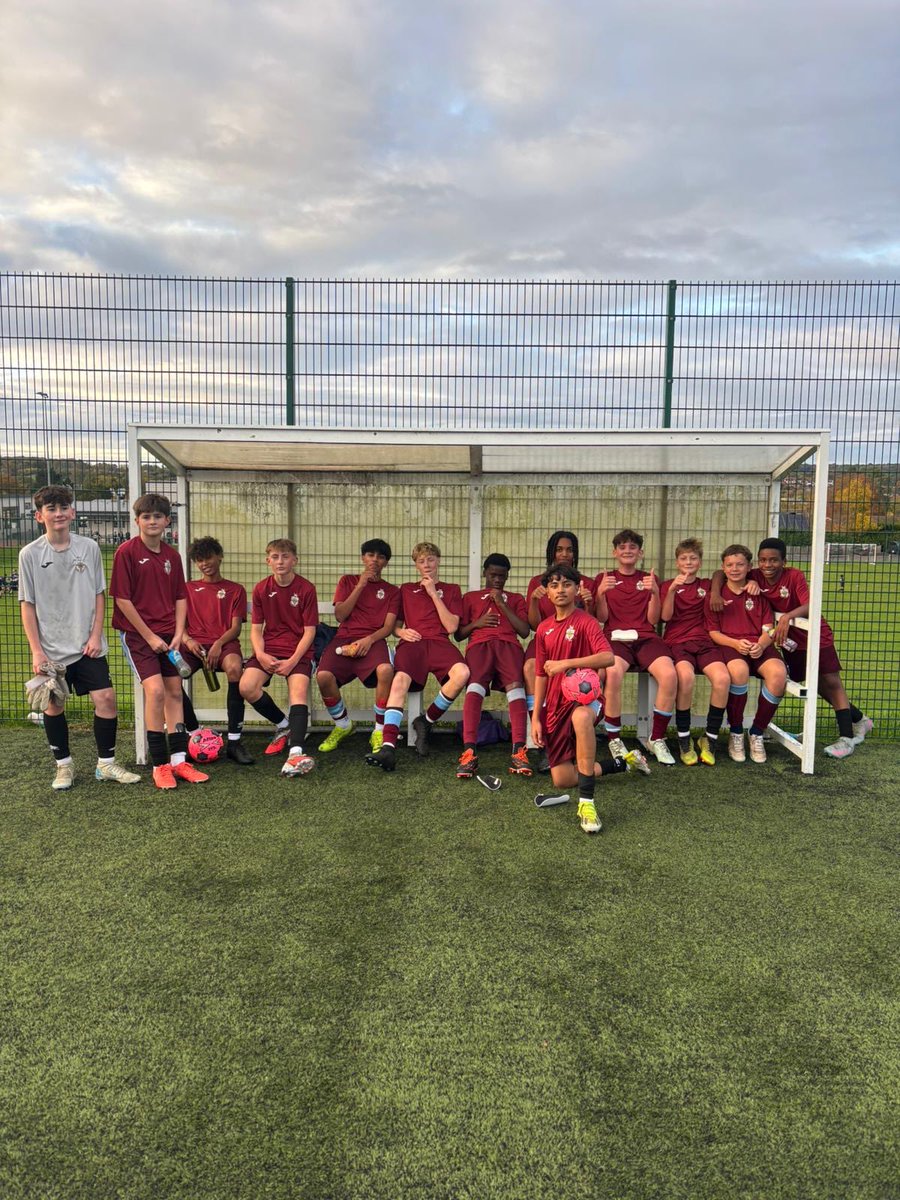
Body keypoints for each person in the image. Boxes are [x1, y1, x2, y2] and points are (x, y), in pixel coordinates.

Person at [18, 484, 141, 791]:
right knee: (53, 705)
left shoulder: (89, 547)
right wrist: (37, 651)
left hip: (88, 645)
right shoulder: (29, 554)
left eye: (63, 508)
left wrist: (96, 636)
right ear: (39, 516)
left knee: (106, 699)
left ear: (72, 512)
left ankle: (106, 764)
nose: (58, 514)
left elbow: (99, 594)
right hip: (50, 649)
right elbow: (27, 605)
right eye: (51, 509)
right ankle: (64, 766)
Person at [712, 537, 871, 759]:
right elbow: (719, 573)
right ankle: (859, 719)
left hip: (814, 635)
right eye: (763, 560)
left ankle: (847, 737)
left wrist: (788, 616)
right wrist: (715, 593)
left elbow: (810, 605)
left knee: (831, 682)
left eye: (774, 560)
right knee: (815, 683)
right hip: (787, 639)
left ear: (784, 561)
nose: (768, 565)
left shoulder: (794, 576)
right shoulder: (755, 574)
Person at [532, 564, 647, 835]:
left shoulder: (586, 622)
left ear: (576, 589)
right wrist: (536, 717)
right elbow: (540, 675)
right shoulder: (543, 629)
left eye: (567, 584)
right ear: (547, 592)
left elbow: (608, 657)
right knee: (562, 780)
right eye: (554, 585)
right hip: (556, 704)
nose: (560, 590)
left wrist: (566, 663)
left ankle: (587, 804)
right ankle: (623, 762)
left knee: (582, 717)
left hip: (586, 699)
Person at [109, 493, 208, 789]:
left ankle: (179, 761)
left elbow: (180, 597)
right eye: (146, 516)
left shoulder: (172, 556)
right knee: (155, 692)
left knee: (175, 692)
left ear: (167, 521)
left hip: (168, 636)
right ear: (137, 520)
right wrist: (149, 636)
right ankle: (160, 765)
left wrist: (178, 634)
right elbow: (123, 600)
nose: (152, 521)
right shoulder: (126, 552)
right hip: (139, 637)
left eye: (157, 516)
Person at [365, 541, 469, 772]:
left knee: (463, 673)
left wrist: (433, 592)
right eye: (421, 561)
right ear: (416, 565)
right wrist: (401, 632)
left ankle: (426, 721)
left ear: (438, 561)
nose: (427, 564)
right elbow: (395, 626)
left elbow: (451, 626)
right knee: (399, 681)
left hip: (440, 642)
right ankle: (388, 747)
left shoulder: (452, 589)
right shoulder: (405, 589)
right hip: (413, 644)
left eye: (430, 559)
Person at [594, 529, 678, 766]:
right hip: (615, 638)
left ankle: (656, 738)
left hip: (645, 638)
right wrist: (600, 593)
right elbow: (602, 617)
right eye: (622, 547)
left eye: (633, 547)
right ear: (615, 552)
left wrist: (655, 593)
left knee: (670, 675)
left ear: (640, 552)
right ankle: (614, 739)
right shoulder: (605, 578)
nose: (627, 551)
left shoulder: (650, 578)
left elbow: (653, 619)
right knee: (612, 673)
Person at [239, 539, 319, 777]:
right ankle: (284, 725)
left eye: (285, 556)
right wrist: (261, 655)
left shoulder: (306, 589)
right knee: (246, 687)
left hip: (298, 651)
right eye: (275, 557)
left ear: (295, 560)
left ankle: (295, 752)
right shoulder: (261, 588)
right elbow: (256, 629)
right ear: (268, 561)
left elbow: (310, 632)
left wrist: (293, 661)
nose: (280, 561)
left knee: (298, 692)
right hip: (269, 648)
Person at [315, 538, 400, 754]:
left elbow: (388, 627)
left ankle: (379, 730)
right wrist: (361, 585)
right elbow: (340, 615)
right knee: (323, 676)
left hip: (374, 640)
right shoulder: (347, 581)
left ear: (386, 562)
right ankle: (343, 725)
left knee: (385, 670)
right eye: (370, 555)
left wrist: (369, 640)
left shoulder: (392, 591)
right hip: (344, 638)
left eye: (381, 557)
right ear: (363, 558)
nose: (375, 560)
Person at [705, 544, 787, 764]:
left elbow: (768, 628)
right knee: (739, 671)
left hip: (759, 645)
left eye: (740, 564)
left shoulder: (758, 592)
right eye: (730, 565)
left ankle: (757, 732)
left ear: (749, 567)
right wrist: (734, 643)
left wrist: (761, 644)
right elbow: (713, 633)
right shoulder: (715, 596)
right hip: (730, 646)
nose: (735, 569)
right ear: (723, 567)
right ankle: (736, 732)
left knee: (778, 674)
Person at [177, 536, 254, 765]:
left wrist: (218, 644)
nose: (204, 564)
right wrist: (188, 640)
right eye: (199, 560)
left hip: (225, 643)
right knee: (169, 676)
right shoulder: (187, 589)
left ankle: (234, 742)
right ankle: (194, 733)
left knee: (235, 669)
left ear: (219, 556)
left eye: (208, 558)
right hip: (194, 645)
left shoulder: (235, 589)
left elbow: (236, 628)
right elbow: (178, 624)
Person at [455, 553, 532, 780]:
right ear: (485, 573)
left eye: (502, 576)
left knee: (516, 688)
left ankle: (519, 751)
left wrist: (502, 604)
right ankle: (469, 752)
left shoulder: (515, 598)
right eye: (493, 575)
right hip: (479, 646)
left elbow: (524, 631)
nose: (497, 579)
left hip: (509, 646)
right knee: (475, 687)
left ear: (507, 576)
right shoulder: (470, 597)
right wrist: (477, 624)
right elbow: (459, 634)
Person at [523, 530, 595, 767]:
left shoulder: (585, 582)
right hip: (546, 639)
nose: (564, 554)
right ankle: (543, 733)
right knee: (532, 667)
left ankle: (577, 734)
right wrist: (535, 601)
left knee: (592, 673)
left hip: (576, 643)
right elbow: (534, 626)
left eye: (570, 550)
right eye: (559, 549)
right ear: (551, 552)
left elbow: (592, 622)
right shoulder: (538, 582)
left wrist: (588, 602)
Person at [659, 538, 730, 765]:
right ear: (677, 562)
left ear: (700, 562)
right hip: (677, 643)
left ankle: (710, 737)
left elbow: (720, 573)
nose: (688, 562)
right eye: (683, 558)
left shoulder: (706, 585)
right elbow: (665, 617)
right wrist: (672, 590)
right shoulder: (668, 585)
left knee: (722, 678)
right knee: (685, 677)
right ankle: (684, 737)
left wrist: (716, 590)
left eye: (693, 558)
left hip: (705, 642)